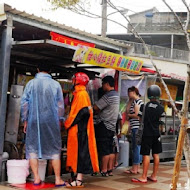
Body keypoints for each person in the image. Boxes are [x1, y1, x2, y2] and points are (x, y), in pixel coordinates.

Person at [20, 63, 65, 186]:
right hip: (51, 121)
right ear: (50, 71)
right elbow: (60, 105)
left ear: (37, 69)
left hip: (34, 120)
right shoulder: (56, 85)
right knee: (55, 149)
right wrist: (60, 120)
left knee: (32, 148)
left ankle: (36, 178)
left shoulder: (31, 84)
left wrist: (25, 120)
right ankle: (57, 179)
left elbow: (24, 103)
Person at [64, 72, 99, 187]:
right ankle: (76, 177)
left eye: (74, 80)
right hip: (79, 130)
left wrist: (67, 123)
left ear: (78, 81)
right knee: (78, 154)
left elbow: (79, 114)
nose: (72, 82)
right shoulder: (80, 93)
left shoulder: (81, 94)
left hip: (80, 130)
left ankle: (78, 180)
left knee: (80, 154)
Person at [132, 85, 164, 183]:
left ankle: (144, 177)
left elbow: (140, 119)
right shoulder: (161, 108)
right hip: (156, 134)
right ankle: (154, 176)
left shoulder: (144, 106)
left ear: (149, 94)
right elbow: (161, 123)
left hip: (146, 133)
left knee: (146, 154)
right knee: (156, 154)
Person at [94, 76, 119, 177]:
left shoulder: (108, 96)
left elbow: (96, 107)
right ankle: (109, 170)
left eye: (103, 83)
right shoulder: (116, 95)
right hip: (112, 126)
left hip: (104, 125)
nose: (102, 86)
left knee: (104, 149)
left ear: (107, 84)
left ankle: (103, 170)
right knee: (109, 148)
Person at [125, 86, 144, 174]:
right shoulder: (135, 101)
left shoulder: (137, 102)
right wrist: (129, 101)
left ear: (132, 92)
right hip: (136, 128)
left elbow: (136, 115)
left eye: (129, 92)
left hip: (136, 128)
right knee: (137, 148)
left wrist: (129, 115)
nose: (128, 94)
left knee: (135, 148)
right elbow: (127, 110)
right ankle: (137, 168)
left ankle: (135, 168)